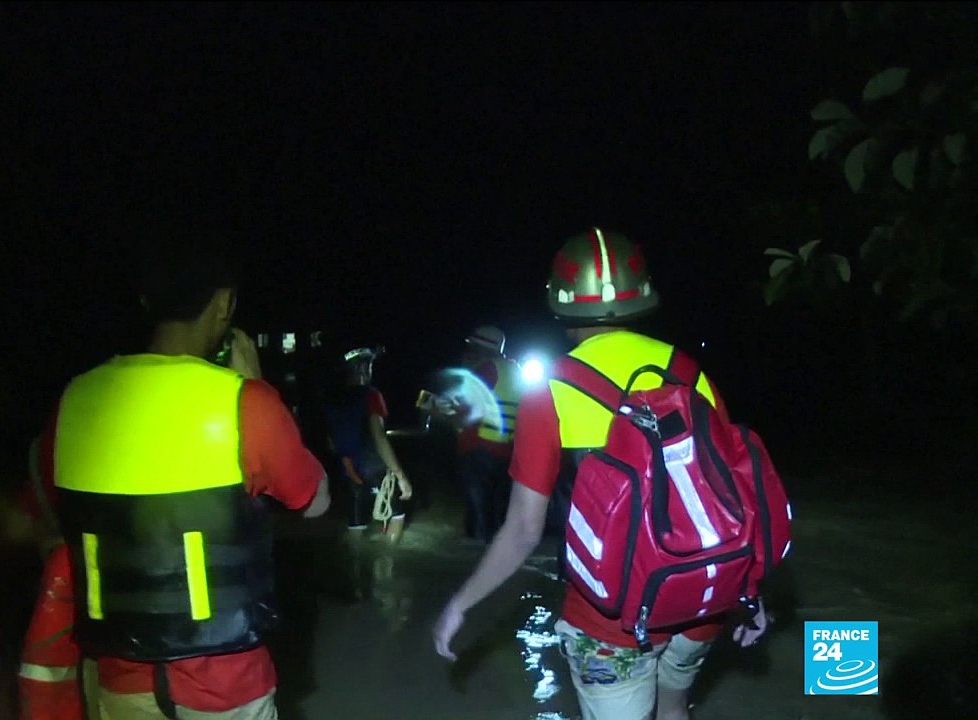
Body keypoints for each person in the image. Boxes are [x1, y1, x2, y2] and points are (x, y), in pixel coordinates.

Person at [432, 228, 769, 720]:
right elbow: (731, 491)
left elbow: (525, 529)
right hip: (701, 600)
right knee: (674, 711)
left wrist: (462, 603)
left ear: (560, 302)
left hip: (610, 616)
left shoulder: (550, 392)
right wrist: (751, 591)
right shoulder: (689, 371)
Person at [19, 239, 330, 720]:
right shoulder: (244, 403)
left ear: (144, 302)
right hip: (227, 689)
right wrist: (260, 387)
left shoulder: (75, 401)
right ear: (224, 303)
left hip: (121, 686)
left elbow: (50, 515)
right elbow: (314, 500)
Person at [430, 326, 521, 544]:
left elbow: (465, 411)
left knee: (478, 515)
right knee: (498, 513)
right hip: (506, 452)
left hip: (477, 449)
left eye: (473, 346)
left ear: (481, 347)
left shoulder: (485, 369)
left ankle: (476, 560)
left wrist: (436, 411)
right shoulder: (516, 369)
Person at [318, 346, 414, 543]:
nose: (371, 371)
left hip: (349, 473)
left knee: (356, 528)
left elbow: (331, 444)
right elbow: (379, 438)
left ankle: (355, 571)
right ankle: (388, 566)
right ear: (362, 370)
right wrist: (401, 476)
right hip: (375, 468)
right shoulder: (371, 395)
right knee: (396, 517)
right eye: (369, 367)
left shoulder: (331, 400)